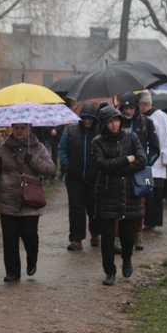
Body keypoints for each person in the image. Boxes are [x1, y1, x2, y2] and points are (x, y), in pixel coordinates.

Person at [0, 122, 56, 282]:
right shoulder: (3, 148)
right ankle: (12, 272)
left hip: (30, 201)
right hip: (7, 200)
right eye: (16, 128)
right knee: (9, 239)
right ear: (11, 129)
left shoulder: (38, 147)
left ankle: (32, 260)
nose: (19, 131)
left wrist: (33, 161)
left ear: (29, 129)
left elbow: (50, 169)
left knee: (29, 235)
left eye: (23, 128)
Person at [92, 105, 147, 286]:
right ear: (104, 124)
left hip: (128, 193)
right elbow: (102, 165)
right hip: (107, 193)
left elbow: (141, 160)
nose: (114, 125)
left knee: (127, 235)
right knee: (107, 236)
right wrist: (125, 160)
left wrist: (119, 169)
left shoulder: (131, 137)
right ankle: (109, 271)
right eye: (110, 122)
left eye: (116, 120)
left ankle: (127, 259)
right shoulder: (98, 142)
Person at [119, 93, 159, 251]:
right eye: (125, 108)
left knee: (139, 205)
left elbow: (156, 148)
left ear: (136, 108)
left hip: (139, 172)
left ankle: (138, 233)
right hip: (120, 168)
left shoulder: (146, 123)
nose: (127, 111)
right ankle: (117, 237)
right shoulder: (116, 122)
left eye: (131, 108)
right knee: (119, 204)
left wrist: (146, 163)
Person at [58, 102, 100, 251]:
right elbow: (61, 148)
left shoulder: (100, 132)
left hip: (94, 178)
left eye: (90, 118)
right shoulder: (71, 131)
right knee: (76, 208)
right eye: (85, 118)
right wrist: (67, 165)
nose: (87, 121)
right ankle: (76, 239)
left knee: (94, 207)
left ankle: (95, 233)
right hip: (74, 177)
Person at [138, 91, 167, 231]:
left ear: (144, 104)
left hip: (158, 161)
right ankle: (147, 219)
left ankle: (153, 220)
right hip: (146, 161)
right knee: (147, 191)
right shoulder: (141, 117)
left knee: (156, 193)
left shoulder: (161, 116)